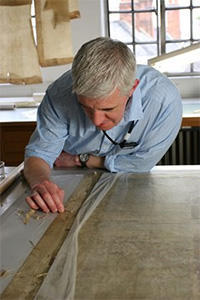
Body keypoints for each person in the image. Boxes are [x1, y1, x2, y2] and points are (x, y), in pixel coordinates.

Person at [24, 37, 182, 213]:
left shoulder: (164, 101)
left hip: (131, 182)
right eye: (85, 108)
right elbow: (39, 154)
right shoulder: (60, 93)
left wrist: (80, 160)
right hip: (70, 180)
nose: (96, 121)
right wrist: (40, 183)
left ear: (132, 88)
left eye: (107, 108)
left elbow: (141, 164)